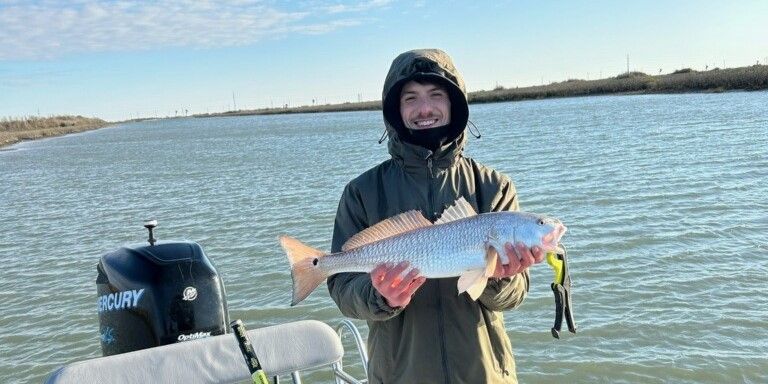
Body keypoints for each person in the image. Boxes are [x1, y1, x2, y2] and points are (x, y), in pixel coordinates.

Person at [327, 49, 545, 384]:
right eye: (410, 97)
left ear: (454, 103)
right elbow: (342, 289)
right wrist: (381, 297)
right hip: (399, 375)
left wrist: (500, 277)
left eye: (436, 95)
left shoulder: (494, 187)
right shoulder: (362, 192)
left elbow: (513, 298)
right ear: (395, 110)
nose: (425, 109)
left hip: (484, 374)